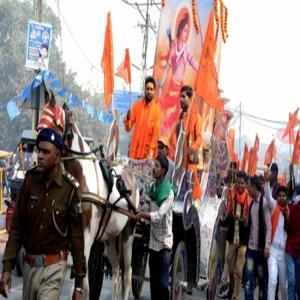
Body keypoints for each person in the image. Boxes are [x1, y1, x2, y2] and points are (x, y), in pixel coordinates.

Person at [0, 128, 86, 300]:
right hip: (29, 268)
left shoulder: (70, 190)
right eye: (39, 150)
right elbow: (17, 228)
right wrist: (7, 267)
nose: (40, 155)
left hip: (54, 269)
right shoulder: (30, 181)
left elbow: (77, 239)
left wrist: (79, 285)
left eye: (46, 152)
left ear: (57, 157)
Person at [137, 155, 174, 300]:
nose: (154, 168)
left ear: (163, 171)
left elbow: (159, 215)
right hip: (153, 244)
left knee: (163, 286)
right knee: (153, 285)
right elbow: (147, 204)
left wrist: (143, 215)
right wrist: (137, 211)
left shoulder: (168, 192)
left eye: (157, 166)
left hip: (164, 245)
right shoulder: (152, 187)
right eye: (154, 165)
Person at [158, 11, 199, 130]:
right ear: (180, 30)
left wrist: (201, 69)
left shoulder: (186, 50)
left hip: (180, 88)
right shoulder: (174, 46)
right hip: (172, 86)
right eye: (185, 30)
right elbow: (168, 66)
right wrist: (161, 82)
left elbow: (192, 62)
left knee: (177, 118)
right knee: (165, 110)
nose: (186, 34)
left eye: (188, 31)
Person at [221, 171, 252, 300]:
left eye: (242, 183)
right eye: (238, 182)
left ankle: (235, 296)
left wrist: (243, 220)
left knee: (239, 271)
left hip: (244, 240)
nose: (239, 185)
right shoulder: (231, 195)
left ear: (246, 184)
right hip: (232, 238)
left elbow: (249, 223)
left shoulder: (249, 200)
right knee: (230, 267)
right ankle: (232, 289)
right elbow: (227, 216)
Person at [170, 85, 202, 200]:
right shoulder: (180, 118)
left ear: (190, 98)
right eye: (180, 96)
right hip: (179, 163)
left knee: (190, 196)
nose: (181, 99)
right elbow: (173, 136)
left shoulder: (196, 117)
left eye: (183, 97)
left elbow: (199, 138)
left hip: (190, 163)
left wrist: (192, 148)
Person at [244, 175, 272, 300]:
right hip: (251, 250)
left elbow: (269, 226)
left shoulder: (264, 203)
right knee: (249, 279)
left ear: (254, 187)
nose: (247, 190)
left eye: (249, 187)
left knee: (261, 282)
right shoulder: (251, 204)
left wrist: (267, 246)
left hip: (261, 251)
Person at [124, 76, 162, 160]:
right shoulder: (137, 106)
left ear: (154, 91)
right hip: (134, 153)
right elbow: (128, 128)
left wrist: (151, 153)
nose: (149, 91)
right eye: (147, 89)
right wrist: (127, 119)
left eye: (151, 89)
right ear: (144, 90)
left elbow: (155, 134)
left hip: (147, 156)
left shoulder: (157, 111)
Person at [264, 168, 288, 300]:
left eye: (284, 196)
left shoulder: (291, 210)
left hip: (284, 253)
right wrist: (267, 182)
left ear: (287, 197)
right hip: (273, 251)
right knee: (272, 281)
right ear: (277, 197)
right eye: (279, 196)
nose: (281, 198)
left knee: (284, 285)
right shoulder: (274, 206)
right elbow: (267, 195)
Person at [284, 185, 300, 300]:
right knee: (292, 282)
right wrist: (286, 217)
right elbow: (287, 228)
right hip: (290, 250)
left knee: (298, 285)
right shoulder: (293, 209)